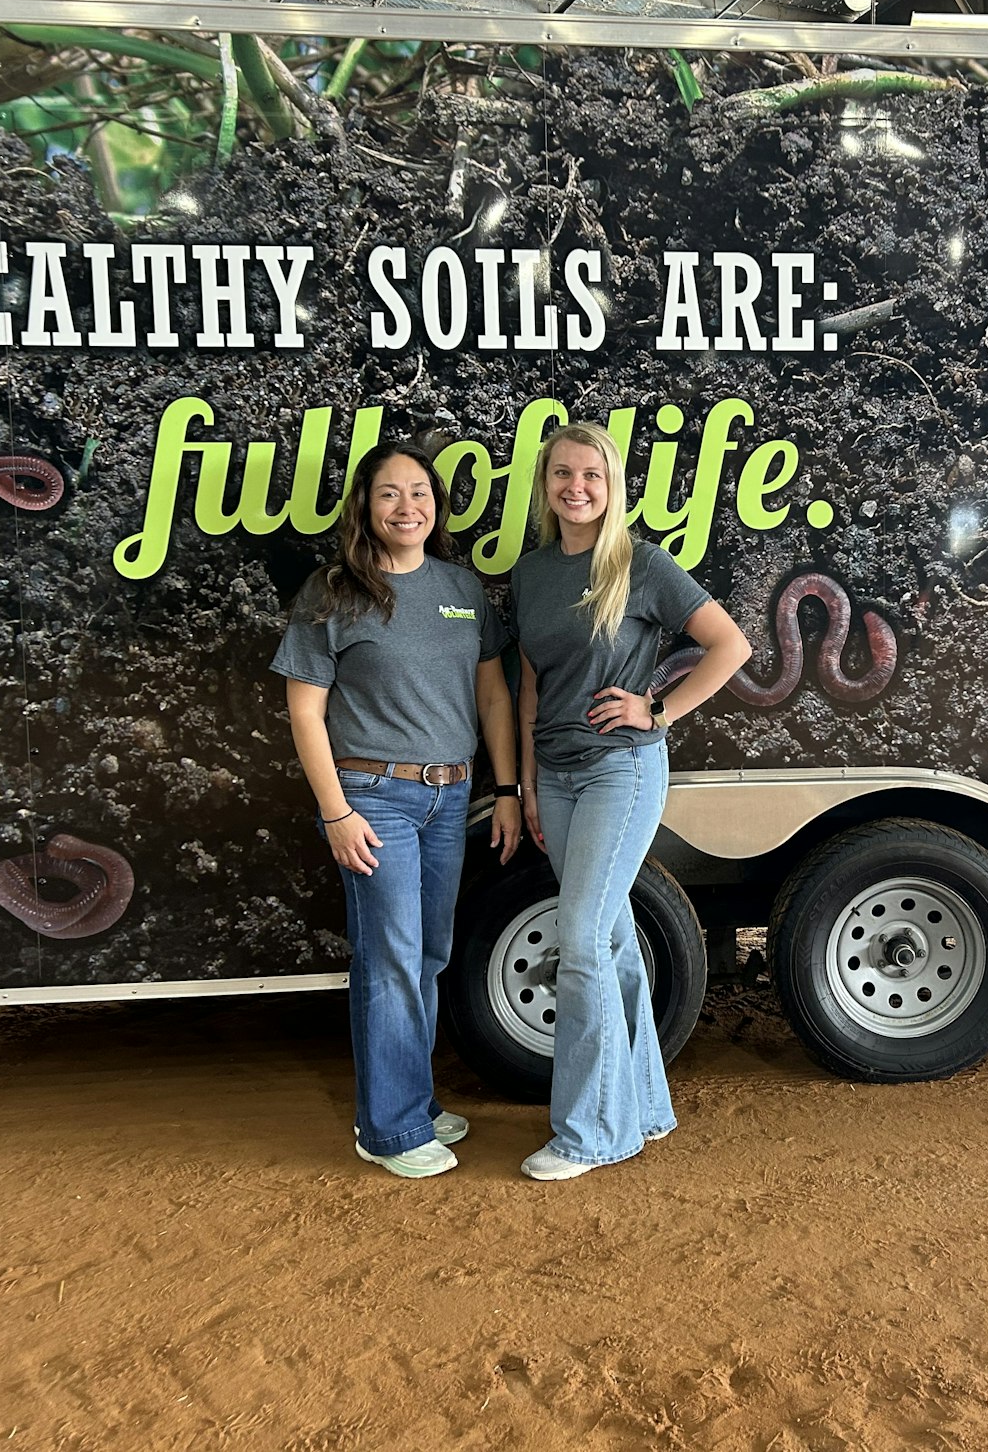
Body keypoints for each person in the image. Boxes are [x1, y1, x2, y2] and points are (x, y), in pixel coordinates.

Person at [273, 442, 522, 1179]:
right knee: (388, 960)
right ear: (365, 507)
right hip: (374, 798)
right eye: (389, 493)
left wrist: (506, 790)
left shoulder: (462, 588)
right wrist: (337, 812)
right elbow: (305, 713)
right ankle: (389, 1130)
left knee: (427, 957)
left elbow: (493, 696)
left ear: (436, 506)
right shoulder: (333, 593)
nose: (406, 506)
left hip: (451, 796)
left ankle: (410, 1099)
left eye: (419, 492)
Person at [511, 421, 752, 1182]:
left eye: (591, 475)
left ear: (612, 487)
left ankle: (589, 1133)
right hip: (555, 775)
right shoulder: (531, 572)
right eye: (562, 475)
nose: (575, 488)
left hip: (622, 770)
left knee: (578, 942)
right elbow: (527, 689)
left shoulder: (641, 564)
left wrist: (660, 710)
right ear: (546, 485)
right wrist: (523, 786)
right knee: (608, 945)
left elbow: (731, 645)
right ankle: (641, 1107)